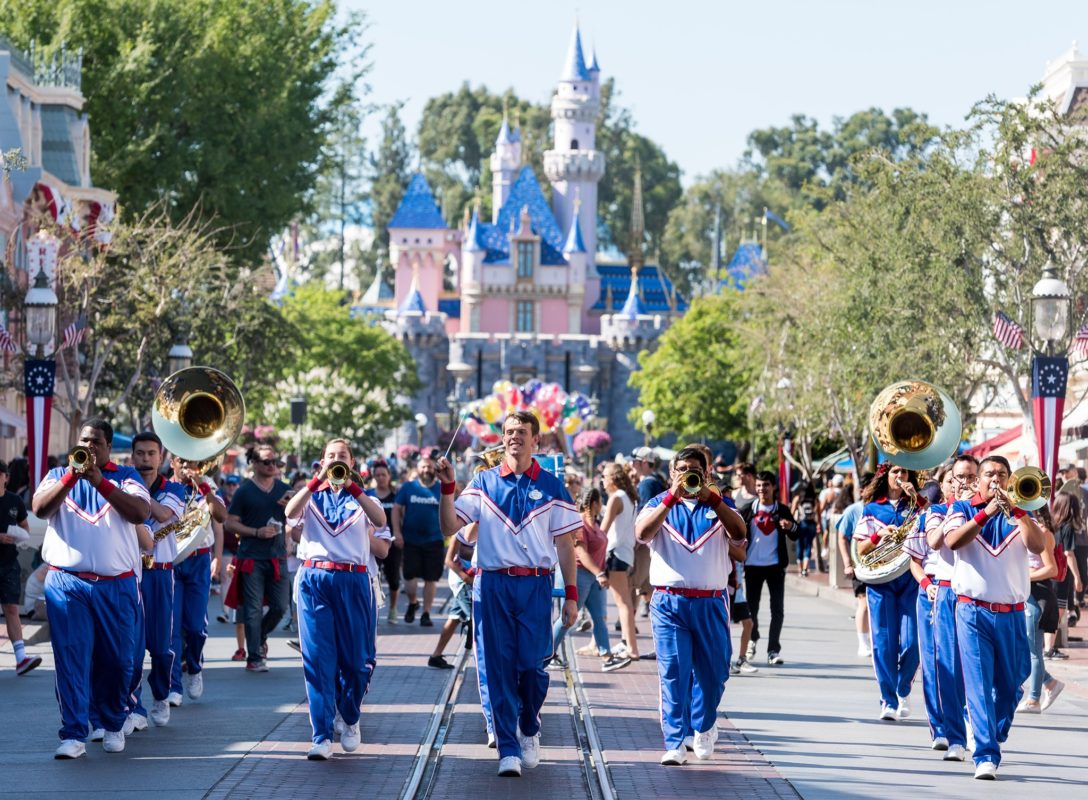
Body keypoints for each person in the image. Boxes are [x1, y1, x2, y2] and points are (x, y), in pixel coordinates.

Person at [437, 410, 581, 778]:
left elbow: (565, 544)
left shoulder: (552, 486)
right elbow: (451, 525)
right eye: (509, 431)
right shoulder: (484, 482)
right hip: (493, 584)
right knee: (497, 667)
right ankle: (507, 747)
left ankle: (528, 725)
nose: (514, 437)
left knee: (533, 666)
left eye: (521, 431)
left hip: (535, 585)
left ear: (536, 439)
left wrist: (572, 594)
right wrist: (447, 489)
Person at [33, 419, 151, 759]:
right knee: (71, 658)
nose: (89, 446)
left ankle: (113, 723)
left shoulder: (127, 478)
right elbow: (41, 509)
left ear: (107, 447)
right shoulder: (58, 476)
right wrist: (73, 475)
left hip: (116, 585)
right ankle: (73, 733)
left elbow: (140, 513)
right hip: (67, 583)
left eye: (96, 442)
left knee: (117, 661)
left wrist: (98, 480)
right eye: (84, 440)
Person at [634, 446, 747, 765]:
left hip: (711, 602)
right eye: (681, 468)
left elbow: (739, 536)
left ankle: (704, 725)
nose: (687, 474)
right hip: (669, 602)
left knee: (714, 674)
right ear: (672, 473)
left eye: (694, 469)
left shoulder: (721, 504)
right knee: (673, 670)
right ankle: (674, 740)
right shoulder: (658, 503)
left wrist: (714, 499)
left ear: (707, 472)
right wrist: (671, 496)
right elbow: (642, 534)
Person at [944, 454, 1046, 780]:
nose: (996, 479)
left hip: (1012, 614)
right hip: (972, 611)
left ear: (1010, 479)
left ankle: (991, 730)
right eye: (989, 473)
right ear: (978, 480)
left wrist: (1022, 515)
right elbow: (952, 542)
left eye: (1002, 474)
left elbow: (1039, 545)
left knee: (1014, 683)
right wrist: (985, 514)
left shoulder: (1021, 512)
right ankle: (985, 755)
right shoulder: (962, 509)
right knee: (977, 683)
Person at [284, 438, 387, 760]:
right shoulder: (312, 496)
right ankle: (321, 735)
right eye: (330, 456)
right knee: (318, 660)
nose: (335, 461)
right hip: (315, 579)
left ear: (352, 462)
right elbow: (289, 513)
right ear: (321, 461)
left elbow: (381, 522)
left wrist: (355, 489)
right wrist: (315, 481)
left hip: (354, 580)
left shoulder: (364, 499)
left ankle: (350, 715)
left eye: (341, 457)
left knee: (357, 663)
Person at [854, 464, 923, 722]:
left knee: (913, 641)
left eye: (905, 472)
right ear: (885, 475)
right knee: (883, 643)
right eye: (895, 472)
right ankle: (888, 700)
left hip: (909, 579)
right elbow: (860, 549)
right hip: (881, 582)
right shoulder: (872, 509)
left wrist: (918, 497)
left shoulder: (917, 506)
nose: (900, 476)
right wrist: (878, 536)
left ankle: (902, 688)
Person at [922, 455, 978, 763]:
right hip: (947, 591)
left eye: (972, 477)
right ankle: (956, 736)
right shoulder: (938, 510)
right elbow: (932, 542)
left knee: (985, 665)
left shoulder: (988, 509)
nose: (966, 483)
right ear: (950, 482)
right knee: (950, 666)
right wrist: (957, 509)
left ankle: (979, 721)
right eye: (960, 478)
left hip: (978, 592)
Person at [128, 433, 186, 727]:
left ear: (161, 458)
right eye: (140, 454)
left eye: (151, 454)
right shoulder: (121, 488)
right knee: (132, 648)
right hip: (131, 573)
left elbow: (164, 514)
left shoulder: (174, 489)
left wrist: (135, 494)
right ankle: (133, 708)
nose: (146, 460)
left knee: (161, 647)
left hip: (161, 573)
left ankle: (161, 695)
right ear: (132, 457)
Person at [225, 445, 291, 672]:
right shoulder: (244, 491)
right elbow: (229, 522)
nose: (272, 465)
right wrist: (256, 532)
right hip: (252, 557)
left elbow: (295, 518)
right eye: (266, 461)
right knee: (252, 609)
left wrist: (292, 508)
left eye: (275, 461)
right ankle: (254, 657)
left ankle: (259, 635)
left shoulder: (285, 489)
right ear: (254, 463)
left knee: (281, 607)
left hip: (278, 556)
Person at [904, 463, 956, 754]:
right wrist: (926, 584)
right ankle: (940, 727)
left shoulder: (976, 514)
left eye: (968, 478)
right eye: (953, 480)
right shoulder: (927, 516)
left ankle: (963, 719)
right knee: (935, 661)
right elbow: (915, 561)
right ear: (944, 485)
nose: (959, 485)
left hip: (965, 593)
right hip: (933, 591)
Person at [550, 487, 630, 672]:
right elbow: (580, 552)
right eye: (600, 501)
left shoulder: (594, 524)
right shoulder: (580, 524)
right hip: (580, 574)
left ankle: (606, 656)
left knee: (600, 617)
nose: (602, 505)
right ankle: (548, 653)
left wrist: (600, 572)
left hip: (593, 577)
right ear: (594, 503)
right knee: (568, 618)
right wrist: (599, 573)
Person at [168, 456, 227, 703]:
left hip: (199, 559)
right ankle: (172, 687)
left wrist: (218, 558)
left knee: (195, 626)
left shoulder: (208, 486)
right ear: (172, 462)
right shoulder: (164, 487)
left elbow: (220, 519)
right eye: (181, 461)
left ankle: (194, 667)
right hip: (171, 561)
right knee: (171, 626)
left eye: (192, 462)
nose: (186, 466)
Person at [740, 471, 798, 665]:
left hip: (775, 567)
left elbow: (796, 533)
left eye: (765, 485)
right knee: (751, 609)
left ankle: (773, 650)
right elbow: (737, 534)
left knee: (777, 610)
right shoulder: (748, 510)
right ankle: (752, 639)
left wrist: (790, 526)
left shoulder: (782, 510)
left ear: (773, 487)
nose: (761, 489)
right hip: (752, 566)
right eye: (758, 486)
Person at [1018, 508, 1063, 714]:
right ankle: (1050, 683)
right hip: (1025, 593)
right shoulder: (1026, 528)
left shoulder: (1042, 532)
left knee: (1033, 650)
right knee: (1024, 648)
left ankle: (1033, 699)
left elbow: (1051, 568)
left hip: (1037, 593)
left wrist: (1024, 577)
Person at [393, 456, 444, 627]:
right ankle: (413, 602)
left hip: (434, 540)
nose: (426, 470)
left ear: (434, 469)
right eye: (423, 467)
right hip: (411, 540)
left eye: (429, 467)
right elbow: (396, 509)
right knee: (409, 577)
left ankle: (426, 613)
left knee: (431, 579)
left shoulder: (441, 488)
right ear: (418, 468)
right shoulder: (408, 487)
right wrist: (397, 533)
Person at [0, 460, 38, 675]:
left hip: (8, 562)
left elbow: (25, 527)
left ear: (6, 477)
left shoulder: (15, 501)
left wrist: (17, 535)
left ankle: (21, 658)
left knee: (12, 608)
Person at [601, 463, 641, 659]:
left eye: (604, 476)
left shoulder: (616, 498)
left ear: (613, 479)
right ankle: (626, 643)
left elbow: (603, 530)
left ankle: (631, 648)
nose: (602, 480)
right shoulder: (629, 498)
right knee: (624, 602)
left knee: (622, 603)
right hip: (626, 553)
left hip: (615, 552)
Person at [837, 472, 875, 657]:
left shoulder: (880, 508)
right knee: (864, 602)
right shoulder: (853, 510)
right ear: (862, 490)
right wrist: (847, 563)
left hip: (879, 566)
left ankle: (875, 640)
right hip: (860, 565)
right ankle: (863, 642)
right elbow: (842, 537)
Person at [369, 460, 401, 624]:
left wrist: (399, 533)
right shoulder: (368, 495)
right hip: (373, 543)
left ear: (389, 476)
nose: (381, 478)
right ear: (373, 477)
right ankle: (374, 604)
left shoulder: (396, 495)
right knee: (373, 576)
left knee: (393, 578)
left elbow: (403, 515)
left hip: (393, 543)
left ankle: (393, 608)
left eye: (384, 475)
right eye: (377, 475)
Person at [791, 482, 820, 577]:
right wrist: (818, 524)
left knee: (800, 546)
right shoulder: (815, 499)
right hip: (811, 524)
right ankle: (805, 569)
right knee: (808, 546)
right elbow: (818, 513)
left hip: (800, 524)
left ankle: (800, 569)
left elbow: (792, 512)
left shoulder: (798, 498)